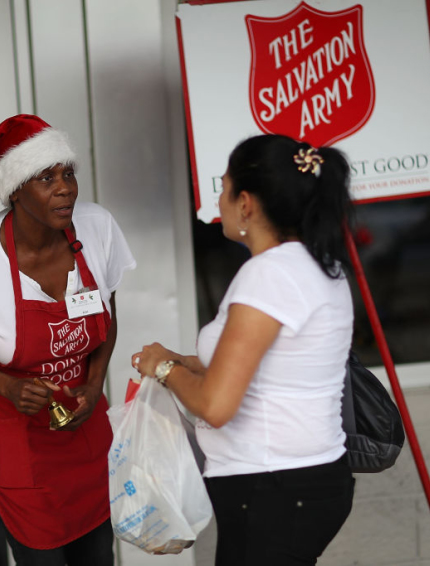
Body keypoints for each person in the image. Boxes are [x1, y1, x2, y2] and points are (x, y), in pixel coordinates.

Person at [132, 134, 356, 565]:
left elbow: (216, 405)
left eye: (223, 188)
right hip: (300, 481)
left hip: (274, 487)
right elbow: (270, 367)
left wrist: (164, 370)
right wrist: (180, 362)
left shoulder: (269, 275)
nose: (219, 201)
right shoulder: (316, 264)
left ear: (247, 203)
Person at [0, 114, 136, 565]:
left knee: (98, 554)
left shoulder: (97, 228)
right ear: (16, 190)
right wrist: (6, 385)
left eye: (68, 174)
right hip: (18, 438)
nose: (65, 188)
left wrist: (94, 381)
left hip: (84, 423)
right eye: (46, 178)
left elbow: (108, 312)